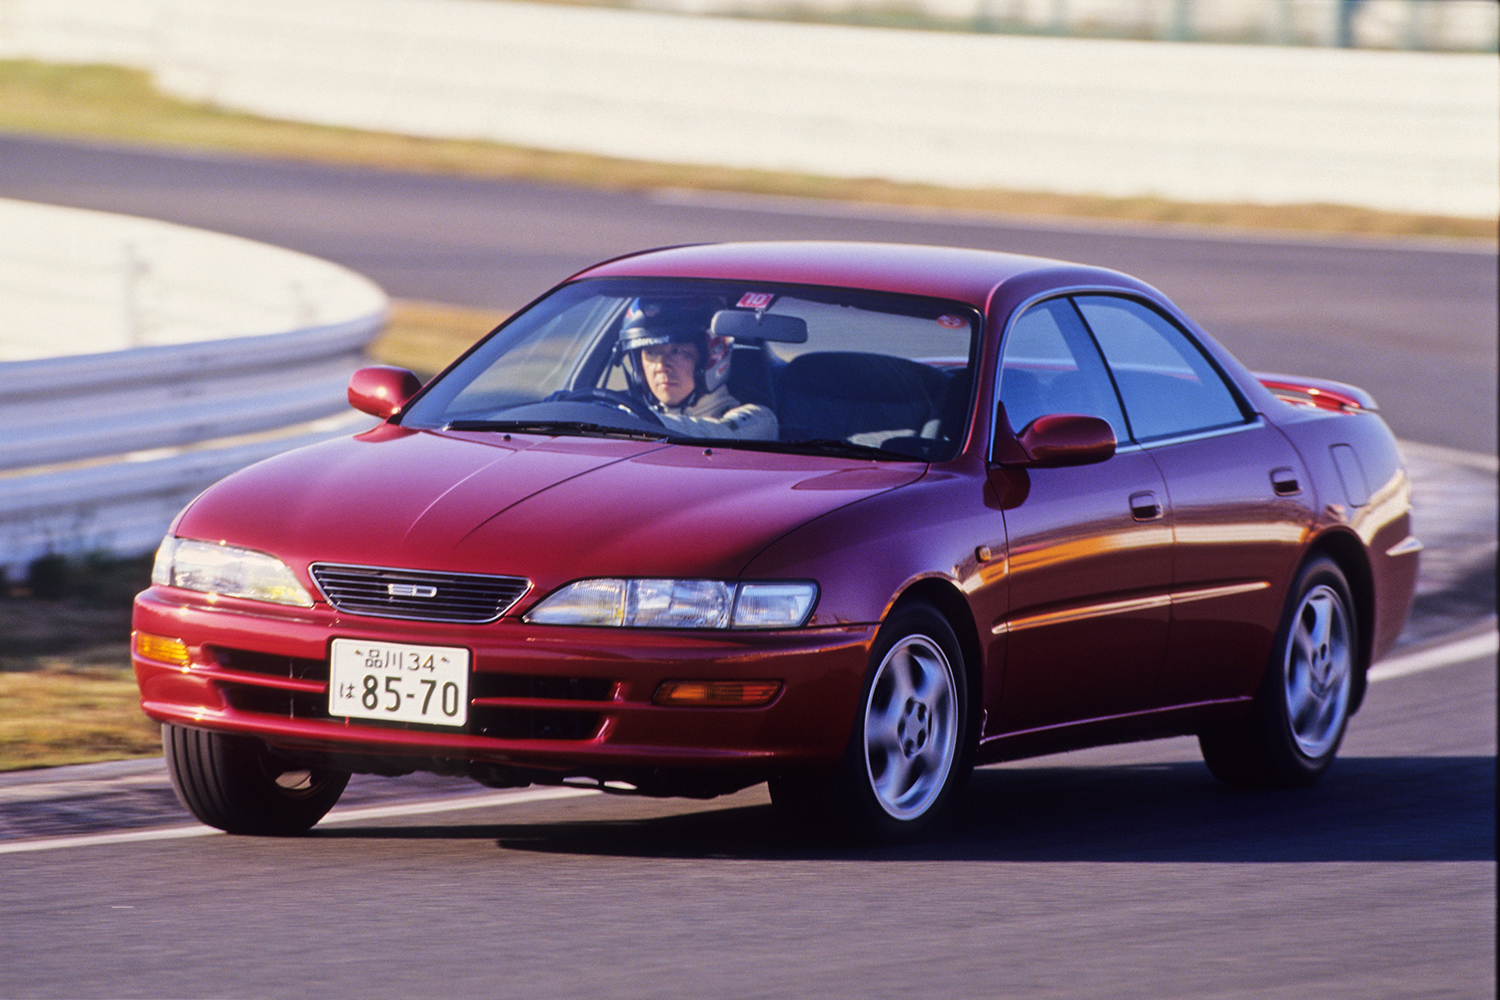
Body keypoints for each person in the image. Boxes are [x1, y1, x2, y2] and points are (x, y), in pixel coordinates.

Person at [615, 298, 778, 440]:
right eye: (650, 352)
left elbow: (717, 436)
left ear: (712, 358)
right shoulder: (628, 413)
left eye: (676, 352)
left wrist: (626, 421)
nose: (661, 366)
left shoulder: (759, 420)